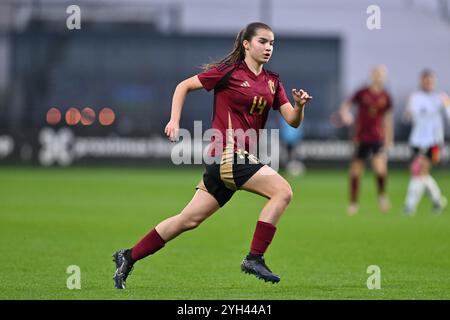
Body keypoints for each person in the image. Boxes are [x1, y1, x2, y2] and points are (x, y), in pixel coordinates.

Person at [112, 22, 312, 289]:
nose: (268, 47)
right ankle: (254, 258)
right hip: (227, 154)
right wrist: (174, 120)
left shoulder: (273, 82)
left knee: (187, 220)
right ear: (246, 44)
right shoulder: (229, 72)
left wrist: (299, 106)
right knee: (283, 191)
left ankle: (128, 256)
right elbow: (183, 86)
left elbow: (293, 121)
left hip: (234, 160)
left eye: (272, 43)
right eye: (263, 42)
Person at [339, 65, 393, 215]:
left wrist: (389, 138)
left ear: (384, 77)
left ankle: (382, 196)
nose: (378, 77)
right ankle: (353, 203)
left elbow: (388, 118)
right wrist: (345, 114)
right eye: (376, 74)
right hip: (361, 137)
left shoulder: (386, 96)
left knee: (380, 170)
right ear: (372, 76)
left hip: (378, 137)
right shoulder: (362, 92)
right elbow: (346, 105)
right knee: (356, 171)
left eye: (381, 74)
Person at [403, 70, 449, 215]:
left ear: (434, 82)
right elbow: (407, 117)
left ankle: (409, 206)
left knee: (418, 171)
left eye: (430, 80)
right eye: (425, 80)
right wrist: (408, 115)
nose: (428, 83)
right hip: (417, 140)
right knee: (421, 173)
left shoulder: (441, 97)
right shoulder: (414, 97)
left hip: (434, 142)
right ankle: (438, 201)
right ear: (421, 81)